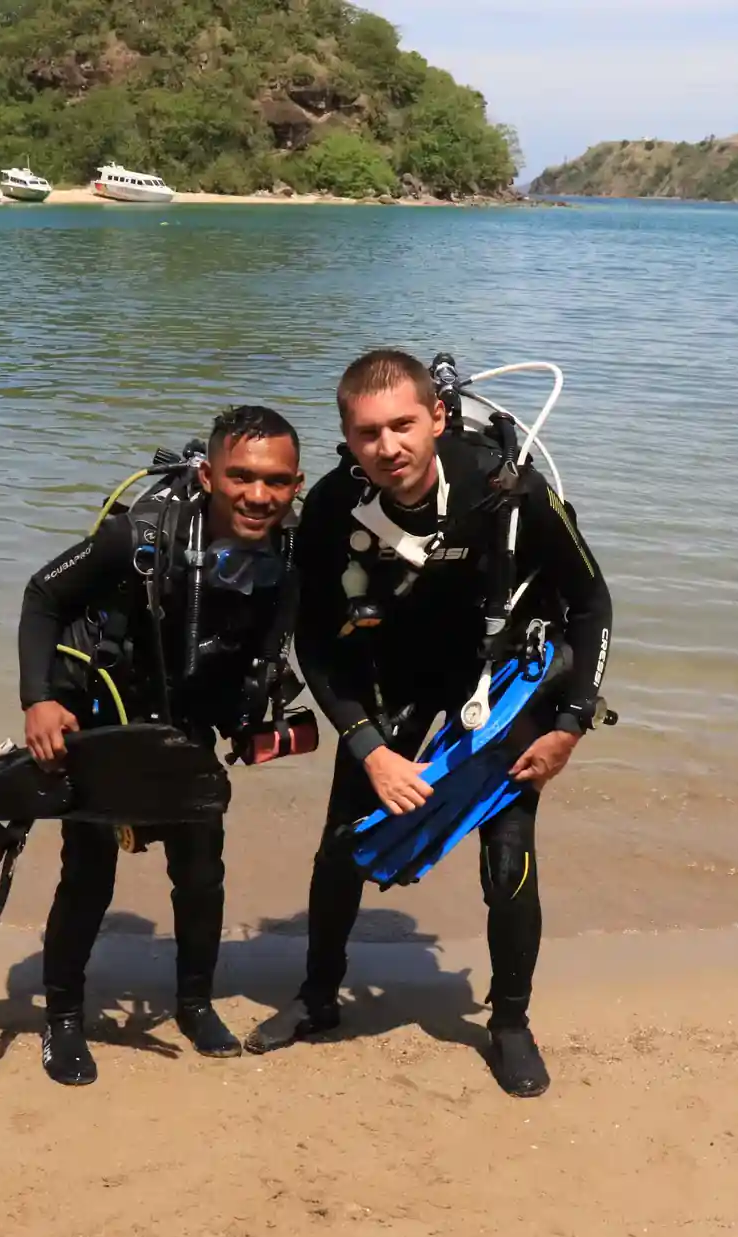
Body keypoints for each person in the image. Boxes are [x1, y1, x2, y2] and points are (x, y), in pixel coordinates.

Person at [244, 350, 613, 1097]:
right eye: (369, 433)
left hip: (499, 682)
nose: (390, 447)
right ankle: (318, 999)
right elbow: (312, 640)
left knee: (508, 857)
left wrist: (570, 722)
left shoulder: (507, 493)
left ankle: (509, 1021)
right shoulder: (330, 507)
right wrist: (368, 747)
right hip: (394, 678)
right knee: (342, 845)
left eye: (404, 425)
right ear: (347, 438)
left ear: (437, 418)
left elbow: (591, 604)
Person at [17, 406, 304, 1086]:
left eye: (277, 481)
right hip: (103, 717)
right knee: (88, 877)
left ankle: (195, 1004)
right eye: (240, 477)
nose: (258, 496)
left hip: (189, 728)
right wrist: (39, 699)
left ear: (296, 484)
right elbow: (42, 596)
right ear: (208, 474)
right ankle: (62, 1018)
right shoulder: (140, 535)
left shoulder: (296, 545)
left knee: (201, 873)